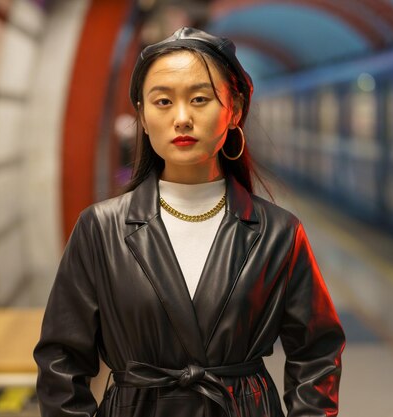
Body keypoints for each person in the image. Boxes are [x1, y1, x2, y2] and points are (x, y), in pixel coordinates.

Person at [34, 27, 345, 417]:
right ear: (143, 119)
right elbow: (61, 362)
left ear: (235, 110)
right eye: (162, 102)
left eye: (200, 99)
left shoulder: (278, 233)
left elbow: (317, 353)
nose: (182, 118)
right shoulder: (101, 229)